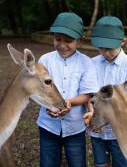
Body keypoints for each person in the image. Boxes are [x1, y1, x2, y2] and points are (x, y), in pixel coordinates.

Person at [36, 12, 98, 167]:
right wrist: (50, 105)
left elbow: (86, 94)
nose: (62, 45)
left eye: (69, 41)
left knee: (77, 163)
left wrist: (66, 103)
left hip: (74, 128)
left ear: (80, 41)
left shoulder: (86, 63)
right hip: (48, 126)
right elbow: (38, 90)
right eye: (57, 39)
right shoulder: (45, 60)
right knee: (48, 163)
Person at [84, 16, 127, 167]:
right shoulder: (92, 63)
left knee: (120, 162)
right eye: (101, 48)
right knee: (100, 162)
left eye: (109, 48)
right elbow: (91, 94)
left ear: (123, 42)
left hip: (120, 129)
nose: (105, 52)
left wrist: (105, 117)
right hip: (96, 126)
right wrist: (92, 113)